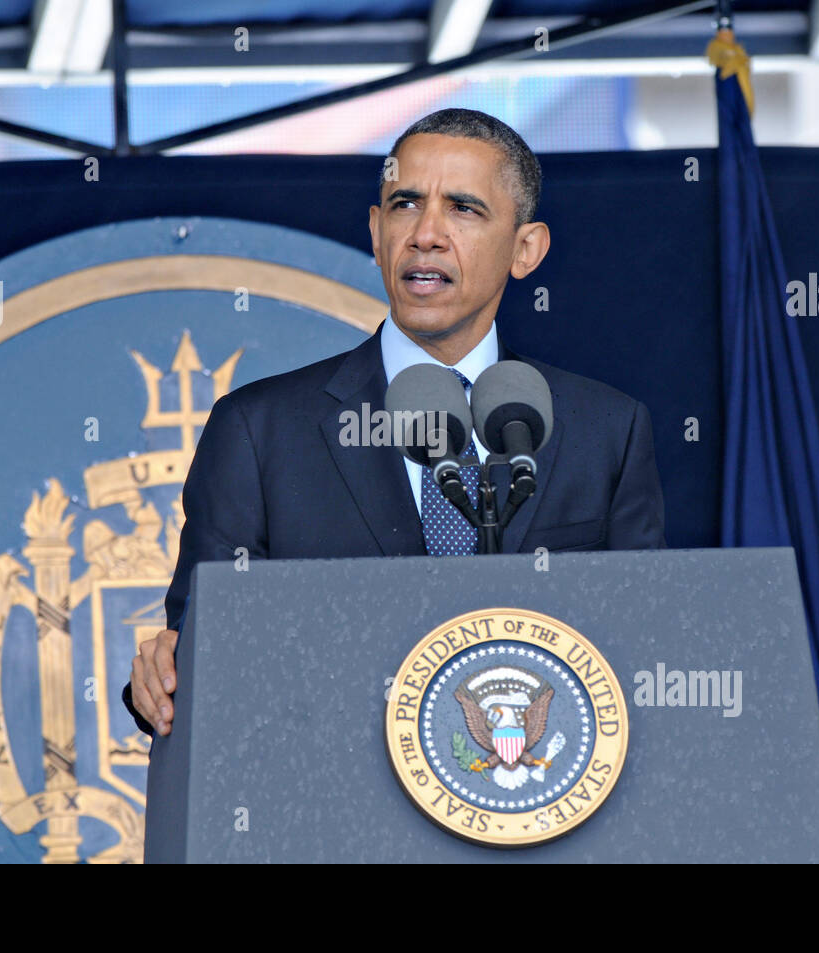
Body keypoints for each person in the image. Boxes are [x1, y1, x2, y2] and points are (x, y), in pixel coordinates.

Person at [124, 108, 666, 737]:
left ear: (526, 249)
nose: (427, 234)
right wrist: (162, 677)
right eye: (406, 205)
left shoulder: (606, 430)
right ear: (378, 233)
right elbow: (200, 660)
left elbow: (644, 652)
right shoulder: (259, 431)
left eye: (463, 208)